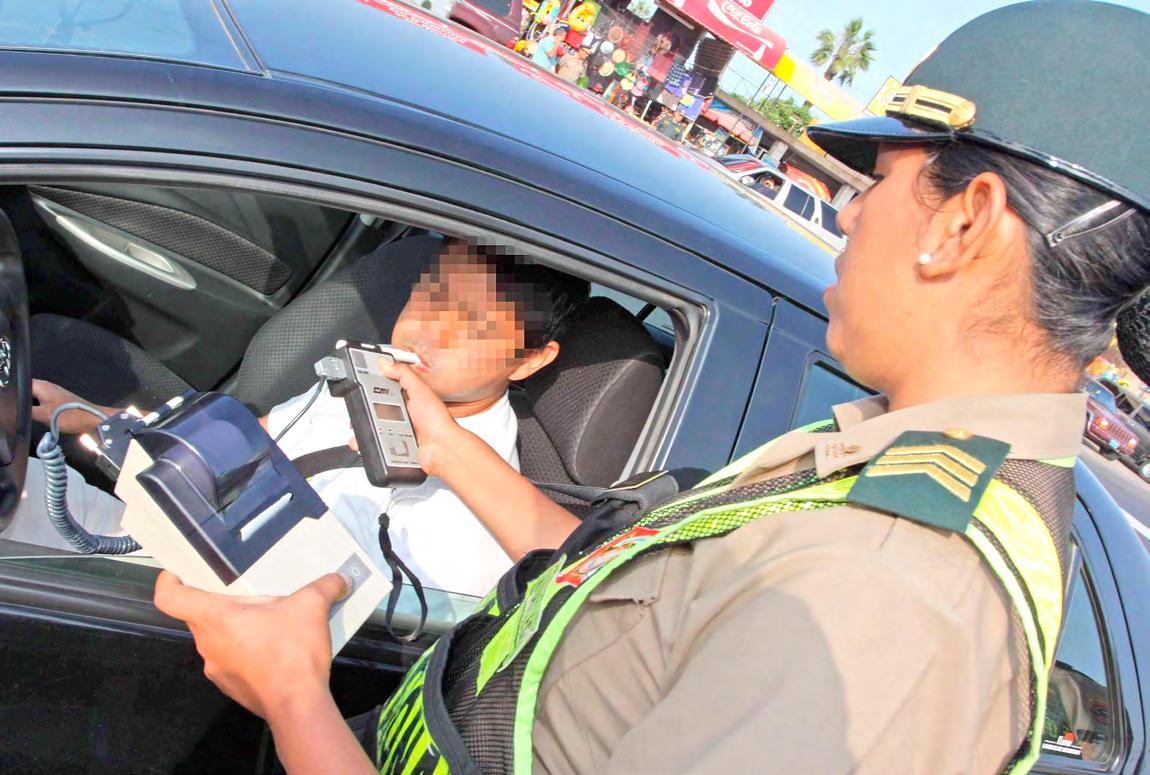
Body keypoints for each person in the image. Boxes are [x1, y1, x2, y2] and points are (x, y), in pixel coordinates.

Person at [154, 3, 1150, 773]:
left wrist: (293, 693)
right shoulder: (890, 474)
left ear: (962, 224)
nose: (847, 218)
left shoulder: (891, 595)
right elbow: (622, 595)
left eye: (875, 182)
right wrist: (446, 444)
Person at [14, 238, 589, 597]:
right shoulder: (372, 369)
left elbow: (361, 631)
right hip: (177, 532)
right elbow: (252, 445)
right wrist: (97, 421)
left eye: (474, 325)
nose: (430, 329)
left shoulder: (477, 514)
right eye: (432, 295)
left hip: (215, 603)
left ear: (530, 361)